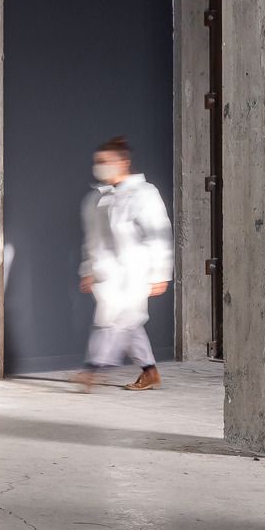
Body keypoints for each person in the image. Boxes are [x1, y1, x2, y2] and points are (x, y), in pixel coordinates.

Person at [73, 135, 172, 391]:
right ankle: (150, 371)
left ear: (124, 162)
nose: (101, 166)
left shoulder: (144, 194)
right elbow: (92, 240)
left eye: (107, 161)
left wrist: (160, 273)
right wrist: (88, 269)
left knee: (114, 322)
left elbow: (158, 233)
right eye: (99, 162)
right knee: (129, 324)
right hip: (107, 276)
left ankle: (93, 370)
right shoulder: (95, 199)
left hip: (134, 273)